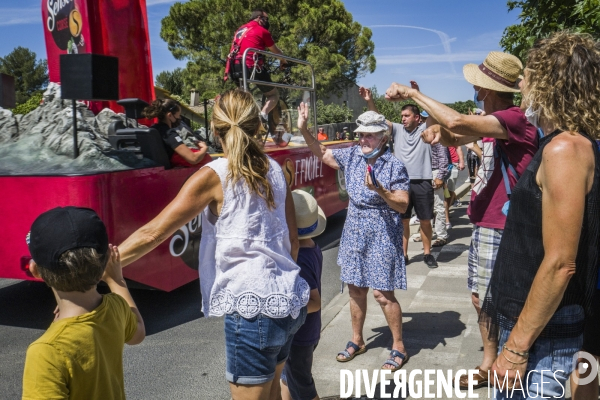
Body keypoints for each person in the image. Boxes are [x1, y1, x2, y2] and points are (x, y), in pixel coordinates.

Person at [118, 89, 309, 400]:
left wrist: (103, 267)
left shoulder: (214, 175)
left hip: (251, 308)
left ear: (217, 131)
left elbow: (153, 233)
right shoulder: (275, 169)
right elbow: (293, 242)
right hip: (286, 299)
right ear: (256, 127)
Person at [385, 51, 538, 389]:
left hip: (506, 227)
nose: (475, 90)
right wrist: (435, 129)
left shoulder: (514, 118)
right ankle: (489, 360)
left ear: (486, 88)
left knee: (506, 300)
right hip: (487, 224)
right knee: (480, 297)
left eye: (478, 86)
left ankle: (511, 363)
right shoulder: (493, 120)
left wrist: (413, 95)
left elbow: (455, 123)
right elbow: (456, 134)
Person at [472, 32, 600, 399]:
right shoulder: (561, 142)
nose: (520, 84)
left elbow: (561, 262)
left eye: (527, 75)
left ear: (552, 80)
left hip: (544, 336)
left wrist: (515, 348)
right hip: (538, 329)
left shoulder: (565, 148)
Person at [297, 105, 411, 371]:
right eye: (360, 135)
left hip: (382, 230)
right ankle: (357, 340)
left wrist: (381, 190)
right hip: (355, 228)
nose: (363, 140)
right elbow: (323, 152)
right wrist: (304, 130)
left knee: (383, 294)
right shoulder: (352, 155)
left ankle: (398, 346)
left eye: (369, 136)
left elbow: (403, 205)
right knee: (355, 289)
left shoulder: (394, 165)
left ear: (383, 137)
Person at [22, 207, 145, 399]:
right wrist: (116, 281)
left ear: (35, 270)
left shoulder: (46, 352)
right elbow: (138, 333)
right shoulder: (115, 308)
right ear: (105, 262)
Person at [359, 86, 438, 268]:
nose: (402, 119)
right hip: (400, 183)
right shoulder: (397, 130)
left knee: (425, 220)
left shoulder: (426, 128)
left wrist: (418, 95)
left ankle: (427, 254)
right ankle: (403, 255)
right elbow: (378, 119)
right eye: (402, 116)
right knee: (402, 221)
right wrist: (369, 100)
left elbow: (433, 113)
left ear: (417, 118)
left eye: (406, 116)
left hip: (422, 181)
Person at [281, 190, 326, 400]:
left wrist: (284, 309)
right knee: (286, 378)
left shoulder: (301, 259)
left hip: (300, 335)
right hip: (304, 333)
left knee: (303, 387)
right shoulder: (313, 247)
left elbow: (315, 302)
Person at [226, 8, 287, 124]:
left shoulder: (240, 29)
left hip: (234, 66)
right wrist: (283, 61)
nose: (267, 22)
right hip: (251, 66)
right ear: (259, 19)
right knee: (274, 95)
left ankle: (240, 119)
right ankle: (262, 115)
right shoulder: (261, 30)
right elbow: (276, 51)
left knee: (244, 97)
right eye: (266, 19)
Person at [143, 99, 208, 167]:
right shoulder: (169, 134)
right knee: (207, 159)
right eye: (178, 115)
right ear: (170, 115)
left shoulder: (154, 129)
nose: (179, 118)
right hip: (171, 169)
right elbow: (193, 159)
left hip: (158, 167)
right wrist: (204, 149)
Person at [444, 146, 465, 229]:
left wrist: (461, 161)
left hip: (453, 164)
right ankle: (445, 218)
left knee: (450, 191)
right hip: (440, 165)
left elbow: (458, 147)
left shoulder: (451, 133)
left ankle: (446, 212)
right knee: (443, 193)